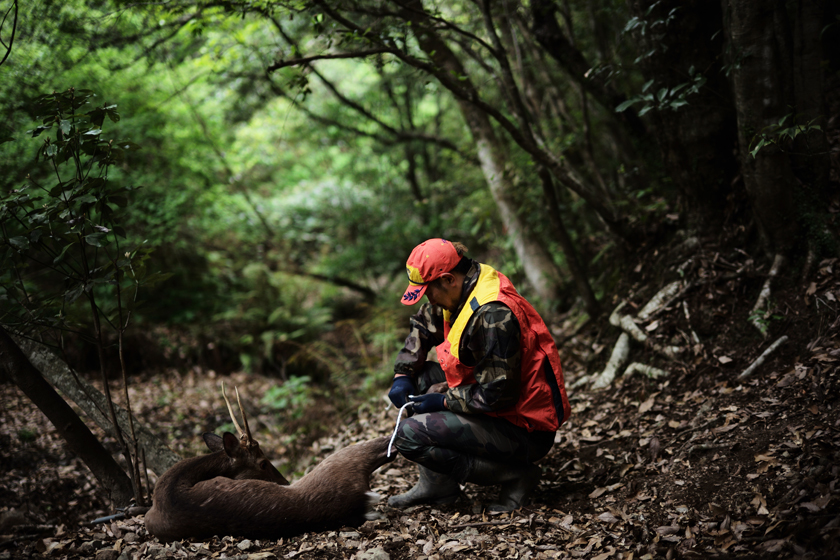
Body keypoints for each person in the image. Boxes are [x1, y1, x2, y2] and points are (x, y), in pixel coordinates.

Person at [387, 238, 571, 511]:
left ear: (448, 279)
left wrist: (443, 401)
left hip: (523, 429)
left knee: (409, 435)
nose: (428, 298)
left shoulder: (492, 313)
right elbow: (423, 325)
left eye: (429, 291)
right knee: (420, 377)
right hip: (495, 408)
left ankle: (517, 475)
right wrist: (402, 375)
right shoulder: (462, 286)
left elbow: (497, 395)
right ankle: (437, 485)